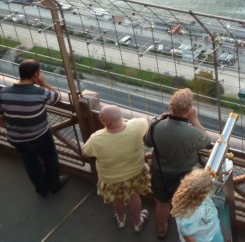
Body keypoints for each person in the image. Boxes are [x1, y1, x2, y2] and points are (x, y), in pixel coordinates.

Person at [144, 88, 212, 239]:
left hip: (159, 173)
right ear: (188, 111)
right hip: (185, 175)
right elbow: (207, 141)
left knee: (162, 202)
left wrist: (158, 121)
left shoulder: (156, 126)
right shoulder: (192, 133)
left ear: (171, 107)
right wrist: (194, 120)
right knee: (187, 205)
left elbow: (147, 141)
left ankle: (161, 228)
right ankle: (188, 232)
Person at [0, 59, 67, 197]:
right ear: (36, 74)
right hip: (40, 136)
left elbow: (2, 114)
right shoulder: (40, 93)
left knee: (30, 163)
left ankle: (41, 190)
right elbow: (56, 97)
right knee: (50, 158)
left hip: (16, 139)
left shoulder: (3, 93)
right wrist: (43, 82)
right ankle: (54, 185)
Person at [82, 105, 150, 232]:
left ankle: (121, 220)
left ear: (105, 122)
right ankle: (137, 222)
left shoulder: (96, 138)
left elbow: (85, 153)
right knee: (134, 197)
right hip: (135, 173)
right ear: (121, 116)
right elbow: (146, 121)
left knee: (117, 199)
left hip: (111, 178)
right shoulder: (136, 126)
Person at [171, 168, 223, 242]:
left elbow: (205, 178)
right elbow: (188, 236)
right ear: (202, 192)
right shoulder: (186, 216)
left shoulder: (200, 195)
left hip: (214, 230)